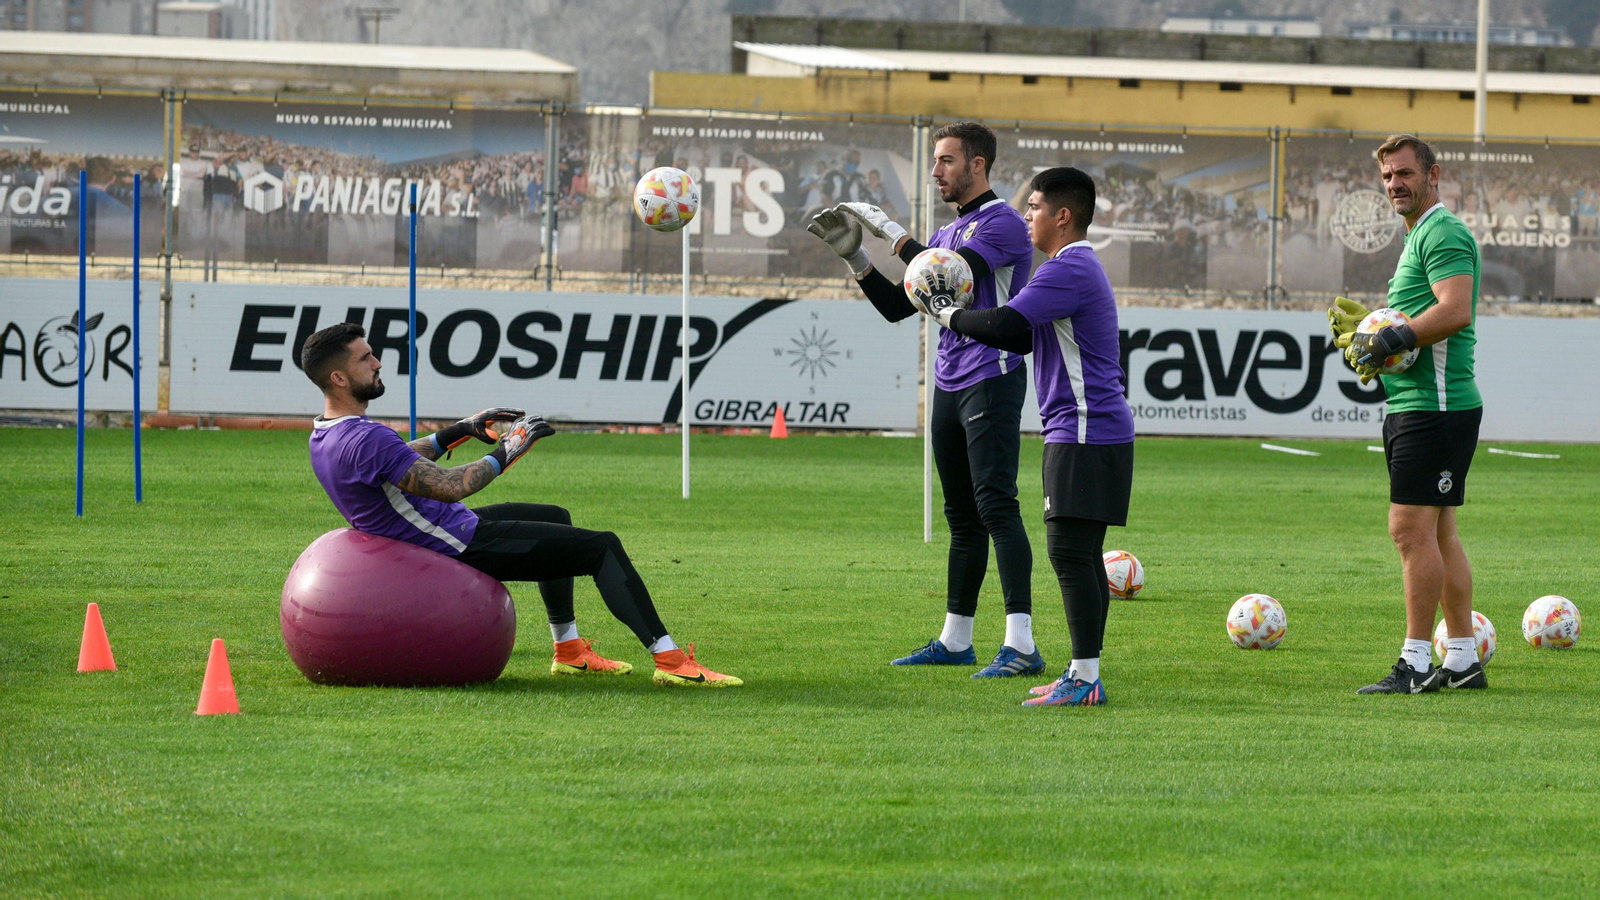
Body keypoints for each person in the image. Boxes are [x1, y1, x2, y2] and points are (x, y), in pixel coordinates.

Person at [298, 322, 742, 688]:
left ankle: (569, 651)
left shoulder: (328, 432)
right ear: (338, 377)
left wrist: (460, 430)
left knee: (554, 517)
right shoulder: (366, 436)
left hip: (436, 530)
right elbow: (452, 485)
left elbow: (397, 459)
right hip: (453, 545)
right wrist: (509, 448)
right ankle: (672, 663)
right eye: (365, 358)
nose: (377, 363)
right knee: (602, 546)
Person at [807, 121, 1040, 679]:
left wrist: (891, 231)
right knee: (962, 517)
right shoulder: (946, 232)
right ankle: (956, 639)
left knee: (997, 507)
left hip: (992, 374)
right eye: (936, 161)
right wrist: (858, 257)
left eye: (946, 161)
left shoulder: (1004, 224)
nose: (936, 171)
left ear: (978, 165)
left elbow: (949, 274)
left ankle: (1023, 645)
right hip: (951, 382)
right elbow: (899, 307)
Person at [923, 167, 1135, 707]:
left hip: (1083, 428)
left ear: (1062, 217)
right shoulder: (1071, 269)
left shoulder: (1067, 269)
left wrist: (947, 313)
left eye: (1035, 207)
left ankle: (1085, 678)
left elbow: (1006, 327)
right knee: (1080, 554)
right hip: (1090, 427)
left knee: (1069, 552)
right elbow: (1020, 339)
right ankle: (1083, 671)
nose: (1027, 216)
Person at [1329, 134, 1485, 695]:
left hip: (1436, 408)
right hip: (1420, 404)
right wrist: (1377, 328)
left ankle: (1417, 663)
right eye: (1388, 176)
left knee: (1408, 529)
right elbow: (1422, 316)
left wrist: (1392, 334)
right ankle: (1462, 658)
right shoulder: (1419, 234)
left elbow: (1455, 310)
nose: (1395, 184)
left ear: (1433, 175)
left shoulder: (1442, 231)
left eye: (1405, 174)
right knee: (1440, 532)